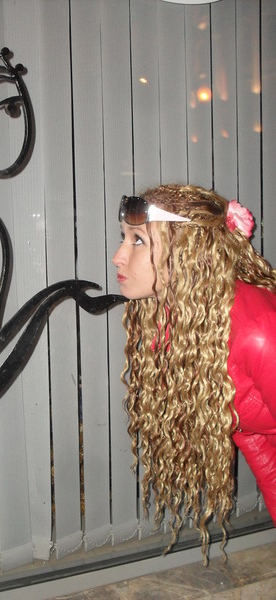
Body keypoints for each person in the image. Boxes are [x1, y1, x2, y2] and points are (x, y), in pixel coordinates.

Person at [112, 183, 276, 560]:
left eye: (138, 241)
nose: (118, 257)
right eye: (123, 238)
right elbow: (252, 436)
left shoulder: (259, 332)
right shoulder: (186, 322)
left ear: (187, 250)